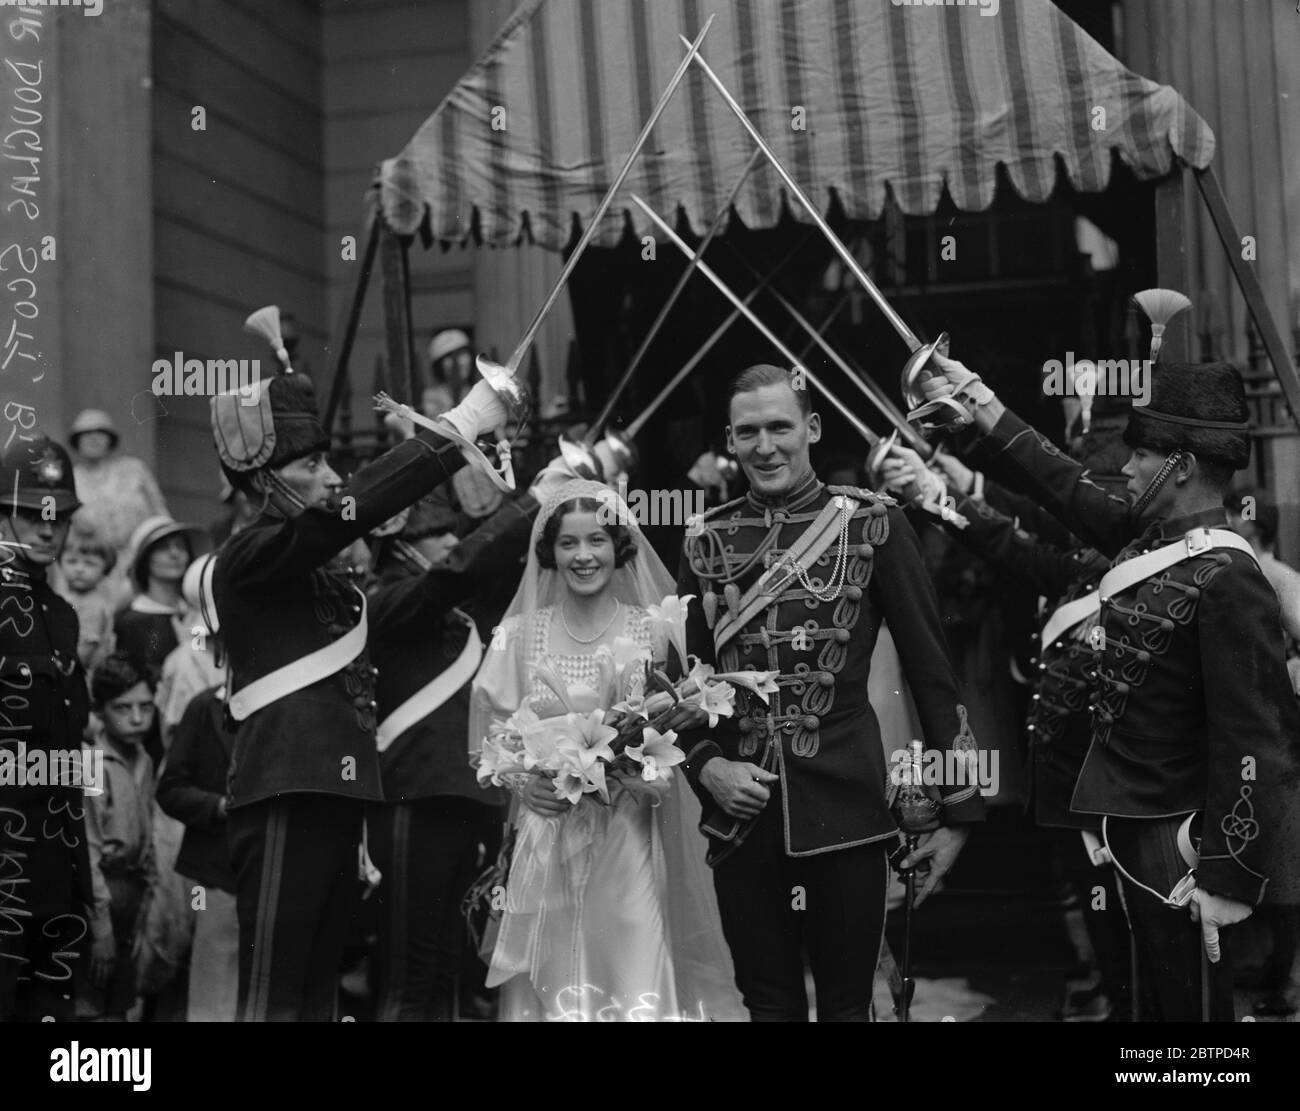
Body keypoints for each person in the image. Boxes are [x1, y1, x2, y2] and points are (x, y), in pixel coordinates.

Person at [918, 350, 1300, 1020]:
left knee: (1197, 1032)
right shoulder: (1152, 533)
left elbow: (1258, 740)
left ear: (1179, 467)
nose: (1126, 468)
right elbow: (1064, 485)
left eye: (1140, 456)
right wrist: (982, 403)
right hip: (1132, 839)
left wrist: (1228, 876)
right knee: (1152, 1014)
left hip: (1185, 852)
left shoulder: (1226, 573)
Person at [673, 364, 985, 1022]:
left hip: (847, 811)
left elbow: (934, 673)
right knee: (769, 1005)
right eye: (749, 431)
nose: (766, 445)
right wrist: (709, 767)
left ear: (811, 427)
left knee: (848, 1008)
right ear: (730, 439)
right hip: (742, 820)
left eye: (780, 426)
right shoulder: (704, 540)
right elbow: (683, 685)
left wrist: (960, 808)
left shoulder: (873, 526)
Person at [209, 363, 515, 1022]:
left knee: (318, 999)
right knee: (274, 1000)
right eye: (312, 464)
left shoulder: (318, 572)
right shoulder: (248, 558)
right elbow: (342, 516)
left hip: (339, 795)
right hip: (283, 791)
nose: (329, 478)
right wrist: (455, 428)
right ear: (265, 480)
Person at [469, 478, 746, 1022]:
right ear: (548, 551)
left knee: (632, 956)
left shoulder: (654, 631)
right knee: (546, 967)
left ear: (618, 545)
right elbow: (490, 733)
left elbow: (681, 721)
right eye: (568, 543)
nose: (583, 555)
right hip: (545, 830)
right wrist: (525, 782)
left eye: (596, 540)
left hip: (628, 828)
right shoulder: (520, 633)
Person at [881, 441, 1132, 1021]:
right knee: (1094, 897)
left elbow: (1014, 542)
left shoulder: (1113, 562)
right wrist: (951, 486)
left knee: (1124, 914)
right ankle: (1117, 997)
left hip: (1116, 779)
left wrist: (938, 497)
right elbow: (1026, 523)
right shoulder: (1091, 553)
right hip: (1076, 777)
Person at [366, 473, 557, 1022]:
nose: (452, 543)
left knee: (450, 965)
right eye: (438, 535)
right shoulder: (386, 602)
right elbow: (459, 569)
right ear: (401, 544)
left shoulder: (462, 615)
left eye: (453, 532)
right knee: (410, 975)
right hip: (413, 802)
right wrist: (532, 501)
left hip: (468, 802)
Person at [0, 436, 103, 1022]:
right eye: (33, 515)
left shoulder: (63, 617)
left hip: (56, 856)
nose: (48, 531)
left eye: (59, 517)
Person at [80, 653, 159, 1021]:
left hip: (131, 901)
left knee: (120, 1008)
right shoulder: (91, 766)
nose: (138, 718)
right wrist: (101, 931)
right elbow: (87, 854)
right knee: (91, 1011)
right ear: (99, 711)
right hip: (99, 906)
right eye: (122, 708)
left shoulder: (143, 758)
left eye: (146, 706)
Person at [68, 408, 168, 607]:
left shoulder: (134, 470)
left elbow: (160, 512)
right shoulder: (71, 479)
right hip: (92, 568)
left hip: (137, 562)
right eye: (86, 433)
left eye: (100, 432)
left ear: (110, 439)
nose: (93, 438)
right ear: (77, 441)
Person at [115, 516, 206, 676]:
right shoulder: (130, 621)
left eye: (180, 546)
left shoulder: (197, 614)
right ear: (145, 559)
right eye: (164, 548)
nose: (175, 554)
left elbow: (204, 664)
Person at [55, 520, 117, 672]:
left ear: (105, 568)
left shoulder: (93, 605)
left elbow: (84, 654)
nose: (79, 569)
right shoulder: (61, 596)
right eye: (72, 561)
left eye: (89, 564)